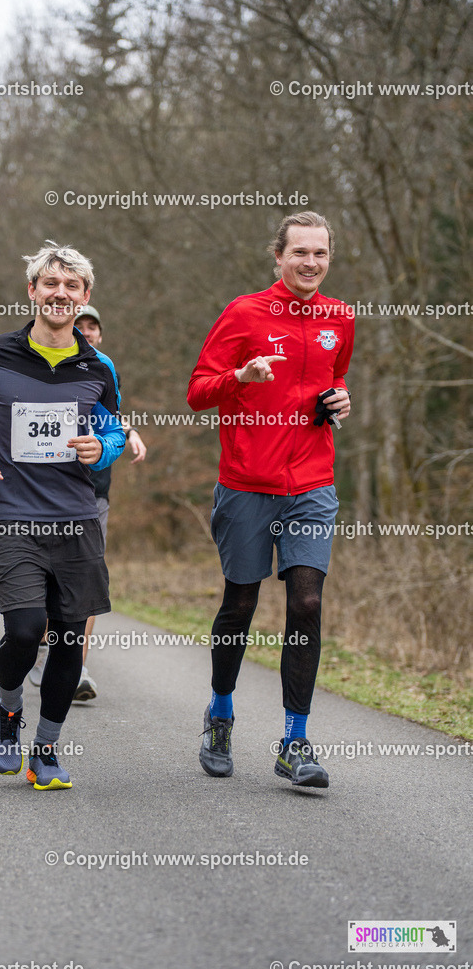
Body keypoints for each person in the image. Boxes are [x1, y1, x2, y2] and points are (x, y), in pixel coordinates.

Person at [0, 242, 125, 790]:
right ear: (33, 291)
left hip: (77, 519)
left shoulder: (98, 368)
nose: (60, 293)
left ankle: (45, 751)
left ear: (84, 296)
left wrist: (102, 448)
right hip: (13, 515)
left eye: (71, 286)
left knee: (68, 641)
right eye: (51, 283)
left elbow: (114, 430)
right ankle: (8, 706)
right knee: (24, 630)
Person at [187, 211, 354, 788]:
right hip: (246, 482)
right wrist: (241, 377)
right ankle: (220, 714)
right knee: (240, 604)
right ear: (278, 256)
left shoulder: (340, 316)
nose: (310, 262)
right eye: (299, 252)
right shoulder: (244, 313)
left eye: (320, 253)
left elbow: (334, 379)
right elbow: (197, 392)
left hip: (312, 483)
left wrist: (340, 399)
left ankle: (294, 741)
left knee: (306, 602)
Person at [28, 303, 147, 700]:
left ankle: (75, 666)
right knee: (49, 578)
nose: (87, 331)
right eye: (80, 325)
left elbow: (108, 414)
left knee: (88, 576)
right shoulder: (50, 367)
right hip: (49, 491)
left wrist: (129, 432)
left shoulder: (105, 368)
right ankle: (45, 644)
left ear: (100, 334)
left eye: (93, 326)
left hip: (94, 492)